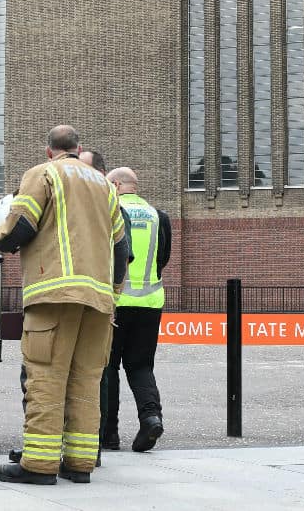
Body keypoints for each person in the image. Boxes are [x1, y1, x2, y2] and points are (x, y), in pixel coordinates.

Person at [0, 125, 128, 485]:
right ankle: (80, 464)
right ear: (78, 149)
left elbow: (19, 229)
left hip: (54, 295)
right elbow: (121, 248)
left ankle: (39, 465)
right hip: (99, 301)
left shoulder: (43, 174)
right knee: (85, 382)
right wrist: (113, 294)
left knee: (45, 379)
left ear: (50, 151)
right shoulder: (104, 186)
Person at [103, 167, 172, 453]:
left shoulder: (112, 213)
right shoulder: (159, 216)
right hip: (150, 303)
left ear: (117, 185)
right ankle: (150, 417)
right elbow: (163, 258)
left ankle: (109, 434)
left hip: (116, 303)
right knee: (141, 365)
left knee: (108, 368)